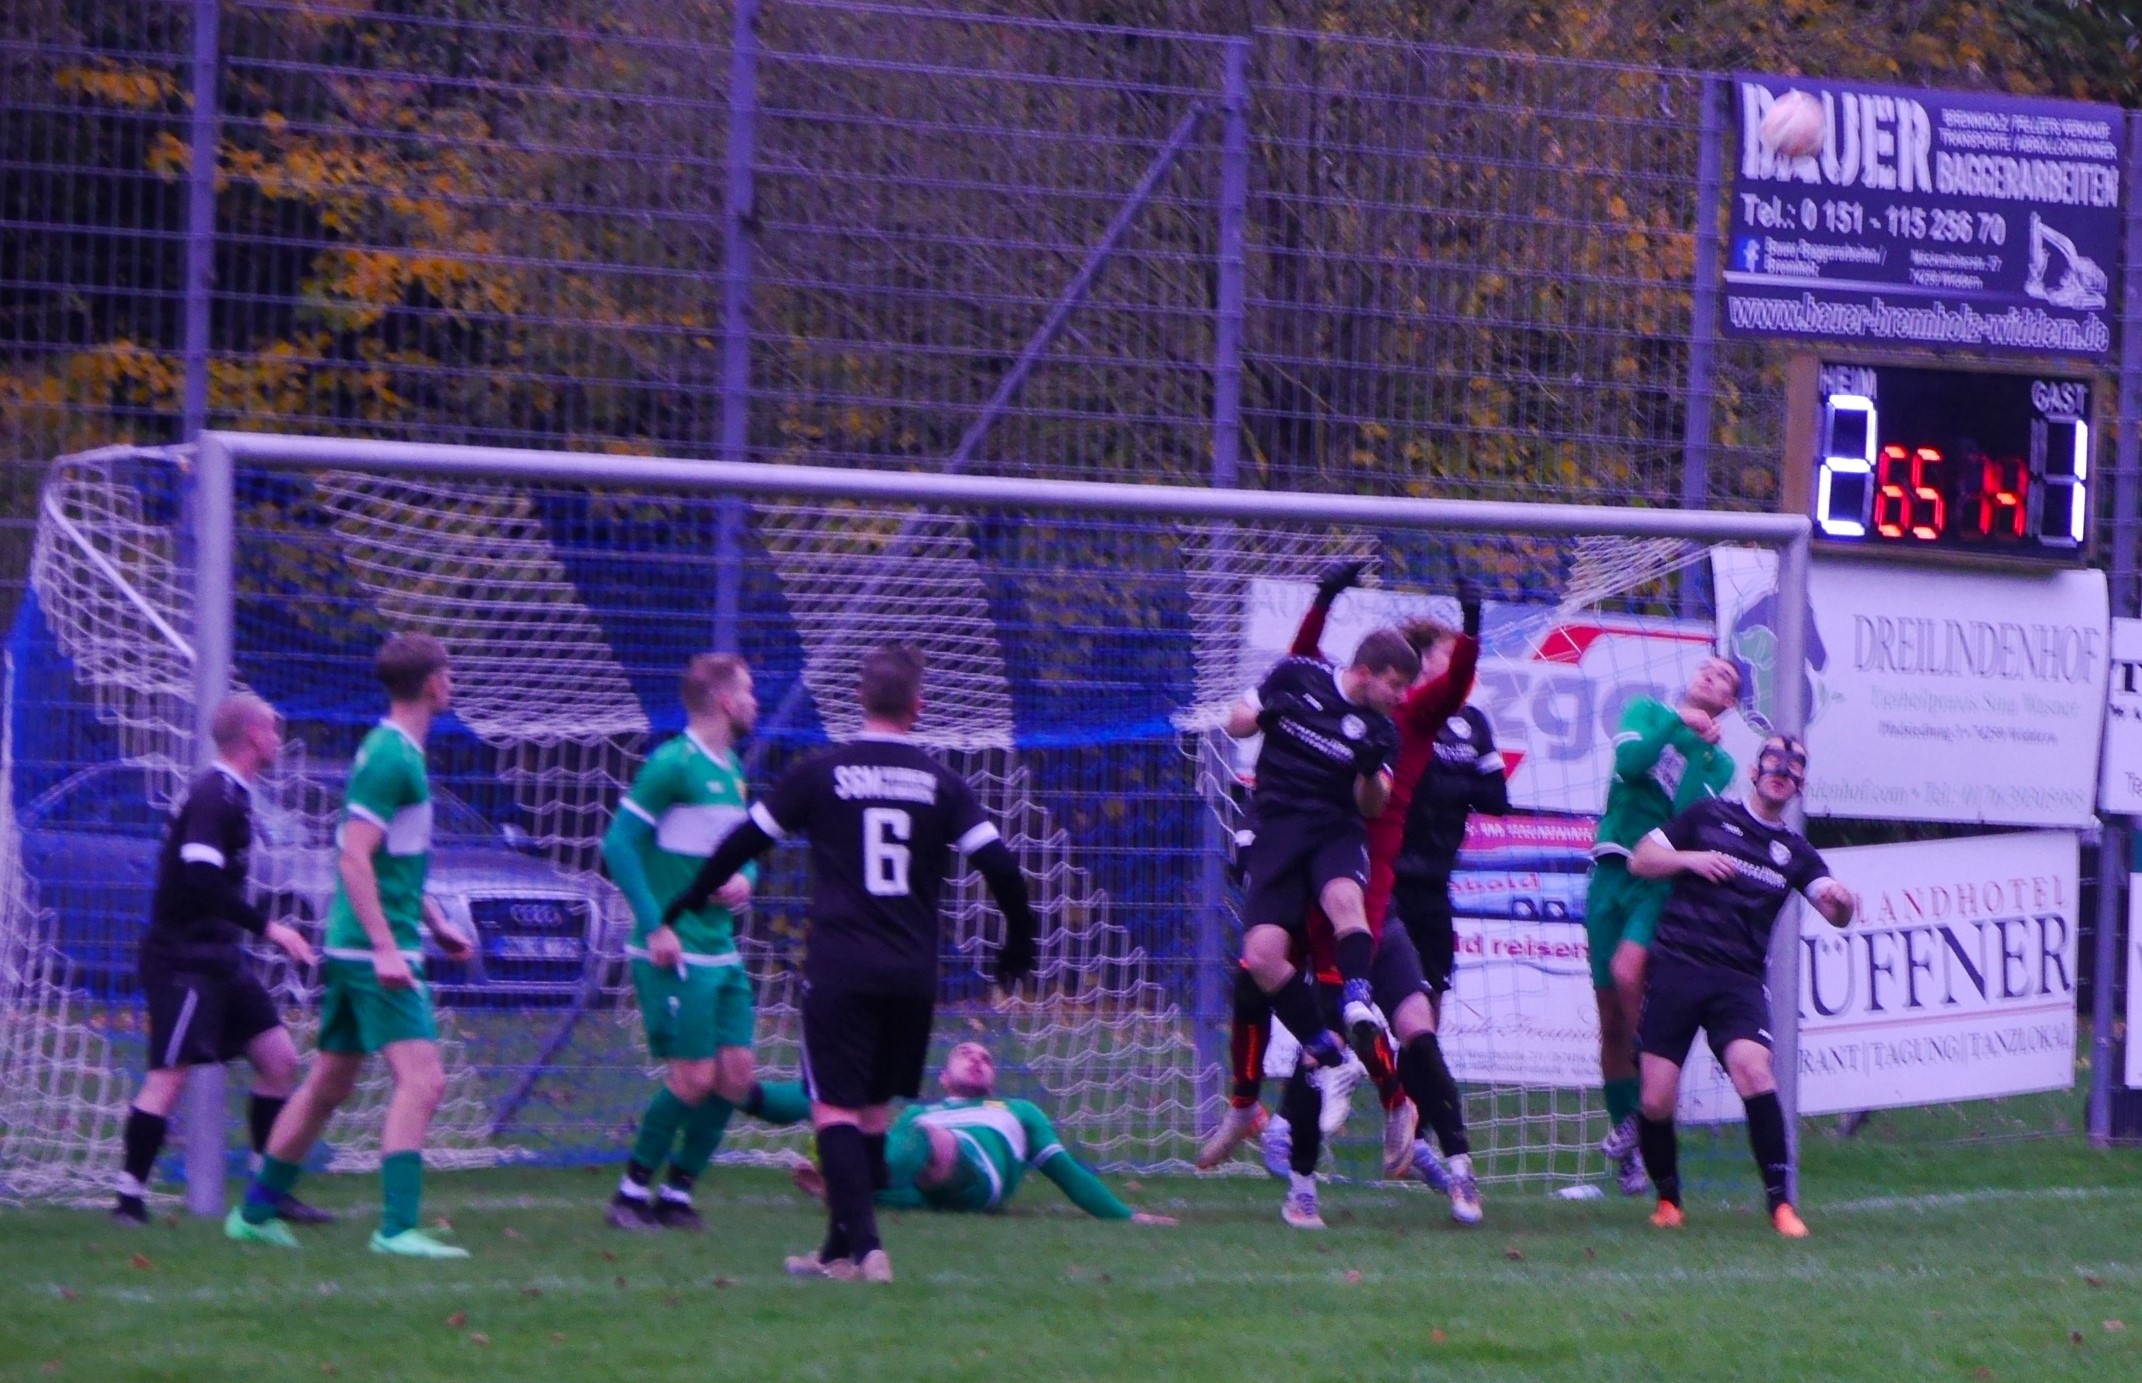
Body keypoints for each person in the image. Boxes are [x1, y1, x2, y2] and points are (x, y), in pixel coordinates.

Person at [661, 642, 1039, 1283]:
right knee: (871, 1113)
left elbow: (743, 840)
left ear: (860, 699)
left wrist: (688, 899)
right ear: (918, 706)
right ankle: (837, 1251)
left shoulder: (821, 773)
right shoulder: (942, 783)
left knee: (833, 1111)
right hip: (912, 973)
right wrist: (1019, 943)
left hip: (841, 967)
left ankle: (867, 1248)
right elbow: (1001, 865)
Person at [228, 633, 477, 1258]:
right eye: (448, 673)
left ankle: (255, 1213)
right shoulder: (393, 756)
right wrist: (388, 947)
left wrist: (433, 920)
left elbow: (389, 859)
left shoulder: (394, 750)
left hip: (360, 944)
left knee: (328, 1087)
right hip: (372, 953)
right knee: (423, 1081)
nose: (451, 683)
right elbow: (354, 857)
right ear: (433, 684)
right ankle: (397, 1228)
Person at [600, 654, 811, 1231]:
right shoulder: (672, 764)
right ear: (723, 701)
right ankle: (629, 1194)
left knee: (735, 1076)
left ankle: (677, 1194)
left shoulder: (730, 768)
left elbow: (739, 850)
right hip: (677, 948)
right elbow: (618, 844)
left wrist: (747, 877)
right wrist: (655, 925)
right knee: (693, 1077)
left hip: (720, 947)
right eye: (748, 692)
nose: (755, 703)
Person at [1213, 605, 1414, 1180]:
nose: (1400, 697)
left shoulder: (1381, 729)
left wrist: (1369, 771)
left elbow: (1371, 805)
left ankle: (1356, 998)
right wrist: (1260, 714)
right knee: (1261, 958)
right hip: (1277, 828)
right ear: (1366, 672)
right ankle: (1324, 1048)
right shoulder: (1297, 675)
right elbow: (1236, 721)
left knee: (1346, 902)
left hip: (1333, 831)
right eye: (1395, 685)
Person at [1627, 734, 1855, 1238]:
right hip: (1678, 968)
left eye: (1794, 766)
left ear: (1799, 785)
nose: (1782, 769)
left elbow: (1835, 910)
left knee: (1755, 1071)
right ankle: (1669, 1202)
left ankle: (1781, 1205)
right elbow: (1640, 858)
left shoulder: (1796, 853)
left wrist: (1844, 902)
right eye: (1773, 759)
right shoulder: (1707, 816)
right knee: (1656, 1101)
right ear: (1754, 771)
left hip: (1738, 981)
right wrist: (1690, 860)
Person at [115, 694, 322, 1226]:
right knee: (169, 1077)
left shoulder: (236, 795)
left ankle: (267, 1193)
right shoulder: (214, 795)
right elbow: (200, 878)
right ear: (253, 736)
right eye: (273, 730)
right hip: (182, 959)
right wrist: (270, 928)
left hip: (221, 957)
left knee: (279, 1061)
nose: (278, 740)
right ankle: (128, 1201)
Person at [1589, 656, 1740, 1195]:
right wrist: (1678, 722)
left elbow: (1684, 817)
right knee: (1610, 1020)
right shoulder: (1647, 712)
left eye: (1724, 678)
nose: (1710, 675)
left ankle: (1650, 1081)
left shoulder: (1720, 764)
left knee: (1628, 971)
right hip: (1611, 869)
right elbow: (1631, 765)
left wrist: (1696, 747)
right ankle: (1629, 1138)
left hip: (1657, 878)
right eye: (1707, 668)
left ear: (1728, 704)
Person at [789, 1043, 1174, 1227]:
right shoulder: (920, 1112)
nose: (976, 1059)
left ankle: (844, 1185)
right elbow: (894, 1159)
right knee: (885, 1139)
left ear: (992, 1080)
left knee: (920, 1139)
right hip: (925, 1183)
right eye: (965, 1054)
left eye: (986, 1059)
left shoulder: (1018, 1111)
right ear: (943, 1077)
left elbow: (1067, 1172)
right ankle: (846, 1186)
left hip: (977, 1175)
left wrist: (1128, 1216)